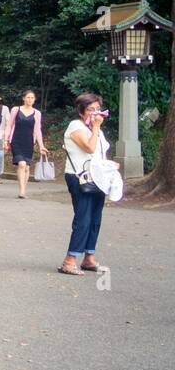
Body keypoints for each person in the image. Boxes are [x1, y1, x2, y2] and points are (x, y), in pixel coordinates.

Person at [58, 93, 114, 276]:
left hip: (98, 177)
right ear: (82, 111)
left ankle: (89, 257)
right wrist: (96, 127)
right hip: (79, 177)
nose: (96, 113)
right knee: (83, 217)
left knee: (95, 218)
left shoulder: (97, 130)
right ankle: (69, 260)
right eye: (91, 109)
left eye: (98, 109)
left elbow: (99, 153)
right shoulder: (76, 126)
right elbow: (89, 147)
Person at [5, 88, 45, 200]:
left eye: (32, 98)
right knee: (22, 164)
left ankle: (24, 188)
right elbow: (9, 125)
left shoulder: (37, 113)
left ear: (34, 99)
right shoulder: (15, 110)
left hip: (28, 142)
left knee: (27, 167)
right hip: (16, 140)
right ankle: (22, 190)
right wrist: (6, 140)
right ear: (23, 98)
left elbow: (38, 130)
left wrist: (41, 145)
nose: (30, 99)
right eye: (28, 97)